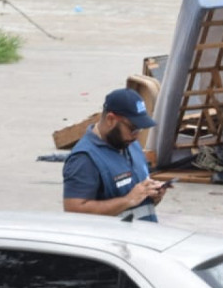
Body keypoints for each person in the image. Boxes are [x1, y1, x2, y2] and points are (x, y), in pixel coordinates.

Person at [63, 88, 164, 222]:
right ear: (111, 119)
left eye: (140, 129)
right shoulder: (84, 158)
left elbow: (137, 200)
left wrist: (151, 196)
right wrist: (128, 200)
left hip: (143, 238)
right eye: (133, 128)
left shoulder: (130, 144)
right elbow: (74, 210)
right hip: (114, 242)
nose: (137, 135)